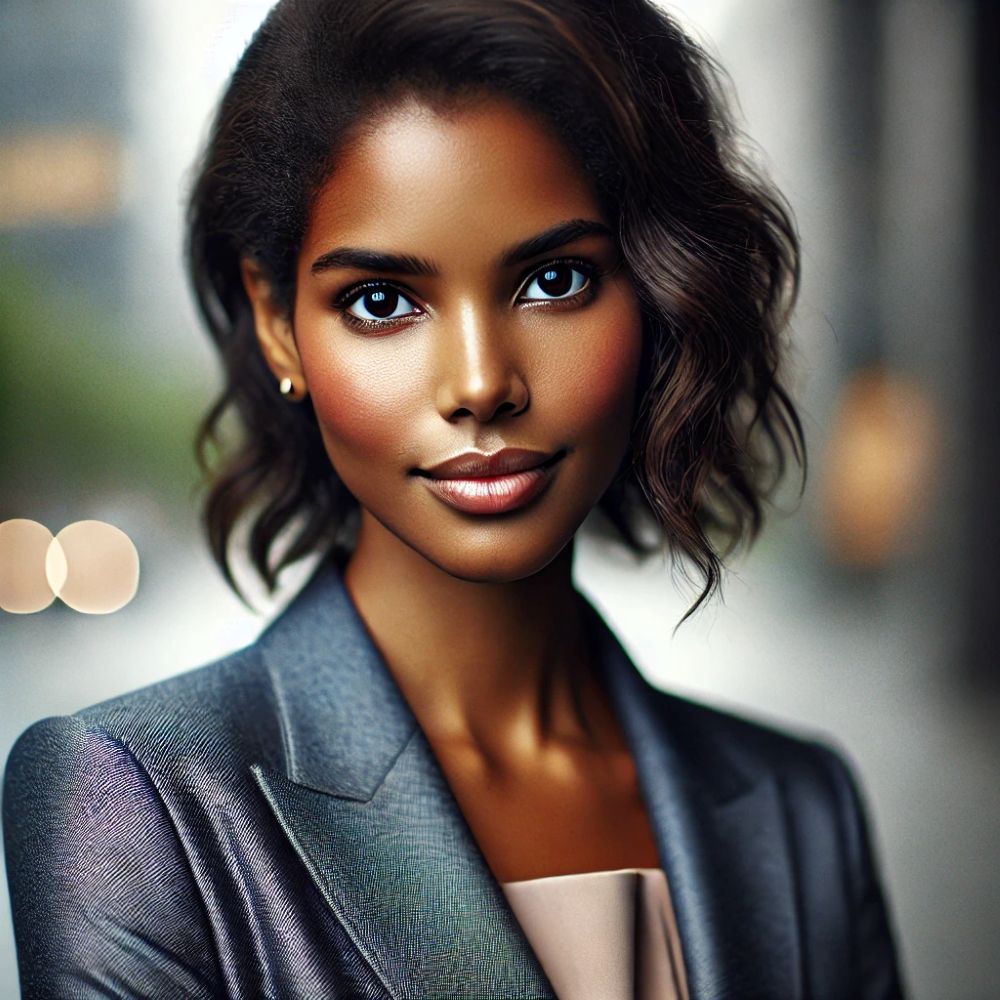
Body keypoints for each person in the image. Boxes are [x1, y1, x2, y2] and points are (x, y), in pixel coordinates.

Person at [2, 0, 906, 997]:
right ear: (275, 323)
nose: (480, 382)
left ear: (654, 294)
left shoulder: (799, 807)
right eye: (382, 301)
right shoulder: (135, 802)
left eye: (554, 279)